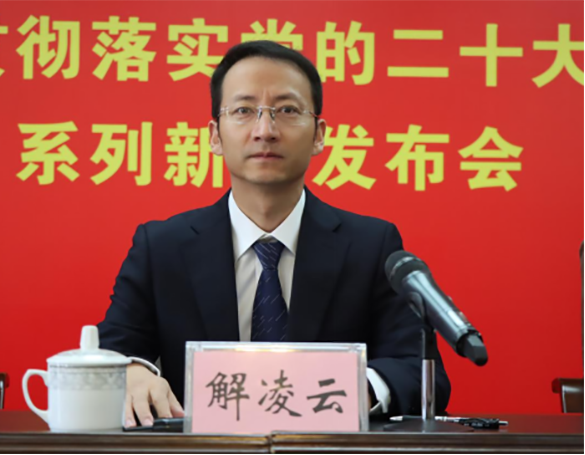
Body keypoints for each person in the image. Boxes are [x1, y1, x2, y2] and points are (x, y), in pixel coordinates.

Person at [98, 40, 451, 428]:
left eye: (287, 110)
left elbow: (422, 372)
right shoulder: (162, 248)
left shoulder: (371, 247)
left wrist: (354, 390)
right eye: (244, 111)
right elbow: (111, 351)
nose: (264, 131)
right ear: (215, 136)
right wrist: (130, 370)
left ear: (319, 134)